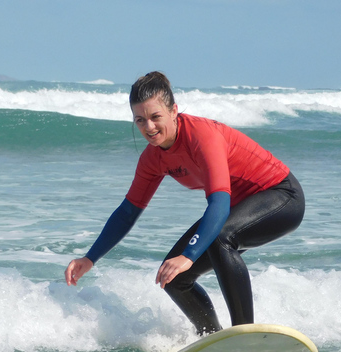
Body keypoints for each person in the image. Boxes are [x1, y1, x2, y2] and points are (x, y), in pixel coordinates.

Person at [64, 71, 305, 336]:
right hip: (238, 207)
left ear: (173, 111)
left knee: (219, 237)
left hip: (281, 196)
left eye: (155, 117)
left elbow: (219, 204)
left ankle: (244, 334)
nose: (149, 127)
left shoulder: (202, 136)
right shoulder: (152, 159)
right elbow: (127, 212)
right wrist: (90, 258)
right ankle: (212, 338)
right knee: (174, 278)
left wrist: (188, 256)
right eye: (140, 120)